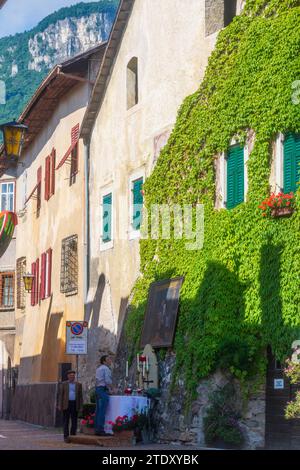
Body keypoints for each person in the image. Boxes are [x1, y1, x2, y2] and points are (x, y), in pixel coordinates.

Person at [57, 370, 83, 443]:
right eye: (71, 376)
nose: (72, 377)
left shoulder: (78, 384)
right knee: (66, 421)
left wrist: (81, 406)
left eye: (73, 376)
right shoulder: (64, 384)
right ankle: (66, 437)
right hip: (66, 404)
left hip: (75, 404)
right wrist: (59, 405)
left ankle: (73, 436)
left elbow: (80, 396)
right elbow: (60, 395)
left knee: (74, 421)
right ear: (68, 376)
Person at [95, 355, 114, 436]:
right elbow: (107, 381)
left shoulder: (99, 368)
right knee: (102, 410)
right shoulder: (106, 368)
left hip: (98, 389)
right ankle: (100, 430)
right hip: (102, 390)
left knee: (98, 410)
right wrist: (112, 389)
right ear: (104, 361)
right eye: (108, 359)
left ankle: (97, 429)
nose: (110, 360)